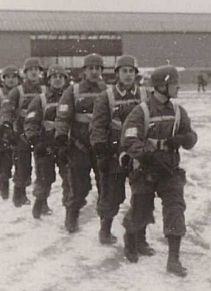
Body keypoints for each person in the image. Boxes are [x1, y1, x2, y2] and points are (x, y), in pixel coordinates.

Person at [120, 65, 197, 277]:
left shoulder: (178, 112)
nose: (178, 87)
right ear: (162, 86)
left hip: (170, 169)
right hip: (146, 168)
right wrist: (148, 156)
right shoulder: (141, 111)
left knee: (175, 208)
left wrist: (184, 139)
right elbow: (129, 140)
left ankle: (174, 258)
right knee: (141, 209)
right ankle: (131, 239)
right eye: (174, 83)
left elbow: (191, 136)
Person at [90, 55, 148, 245]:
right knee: (112, 193)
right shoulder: (106, 96)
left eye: (131, 71)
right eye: (124, 71)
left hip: (138, 151)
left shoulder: (145, 94)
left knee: (142, 194)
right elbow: (98, 125)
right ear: (117, 74)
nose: (128, 75)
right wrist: (100, 150)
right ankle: (105, 230)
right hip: (114, 152)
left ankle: (140, 236)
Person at [55, 53, 107, 233]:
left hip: (102, 146)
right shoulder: (73, 91)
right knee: (79, 186)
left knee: (105, 186)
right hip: (79, 146)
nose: (94, 72)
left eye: (98, 68)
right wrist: (61, 138)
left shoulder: (107, 90)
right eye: (90, 68)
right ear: (84, 70)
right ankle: (71, 216)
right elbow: (62, 117)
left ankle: (105, 226)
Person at [24, 64, 70, 218]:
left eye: (61, 77)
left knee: (69, 176)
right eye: (54, 77)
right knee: (45, 176)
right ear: (48, 80)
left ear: (65, 80)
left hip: (66, 145)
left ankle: (70, 210)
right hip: (46, 145)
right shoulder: (40, 99)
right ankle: (40, 203)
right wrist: (36, 141)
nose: (57, 80)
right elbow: (31, 121)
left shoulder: (71, 97)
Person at [0, 58, 46, 207]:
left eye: (36, 69)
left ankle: (42, 201)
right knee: (23, 166)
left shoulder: (44, 90)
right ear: (25, 73)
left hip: (40, 134)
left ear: (40, 73)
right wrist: (7, 124)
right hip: (21, 135)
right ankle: (19, 194)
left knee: (44, 168)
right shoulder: (17, 91)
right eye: (30, 70)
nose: (34, 72)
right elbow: (7, 109)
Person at [0, 65, 21, 199]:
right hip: (2, 130)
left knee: (19, 159)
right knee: (5, 157)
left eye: (14, 77)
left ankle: (18, 185)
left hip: (18, 128)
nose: (11, 80)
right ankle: (4, 181)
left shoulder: (21, 92)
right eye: (8, 77)